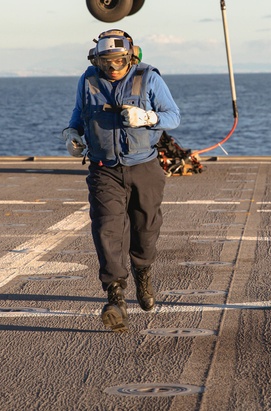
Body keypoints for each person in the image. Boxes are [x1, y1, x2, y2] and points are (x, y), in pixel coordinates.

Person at [62, 29, 181, 332]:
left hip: (145, 166)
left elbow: (174, 116)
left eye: (118, 61)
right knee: (107, 228)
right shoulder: (88, 80)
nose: (113, 68)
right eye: (106, 62)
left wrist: (148, 118)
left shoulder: (148, 78)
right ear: (97, 59)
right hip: (104, 169)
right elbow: (79, 112)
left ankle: (143, 272)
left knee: (146, 228)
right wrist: (72, 133)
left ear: (130, 56)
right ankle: (115, 297)